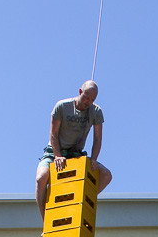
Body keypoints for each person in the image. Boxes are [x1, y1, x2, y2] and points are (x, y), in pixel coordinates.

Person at [35, 81, 112, 219]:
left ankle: (78, 202)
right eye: (86, 97)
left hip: (76, 155)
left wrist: (94, 159)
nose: (88, 102)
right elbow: (53, 133)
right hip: (54, 153)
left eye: (92, 100)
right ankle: (45, 220)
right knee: (41, 178)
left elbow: (98, 139)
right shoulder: (62, 107)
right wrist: (57, 156)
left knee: (106, 175)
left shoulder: (96, 112)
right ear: (80, 92)